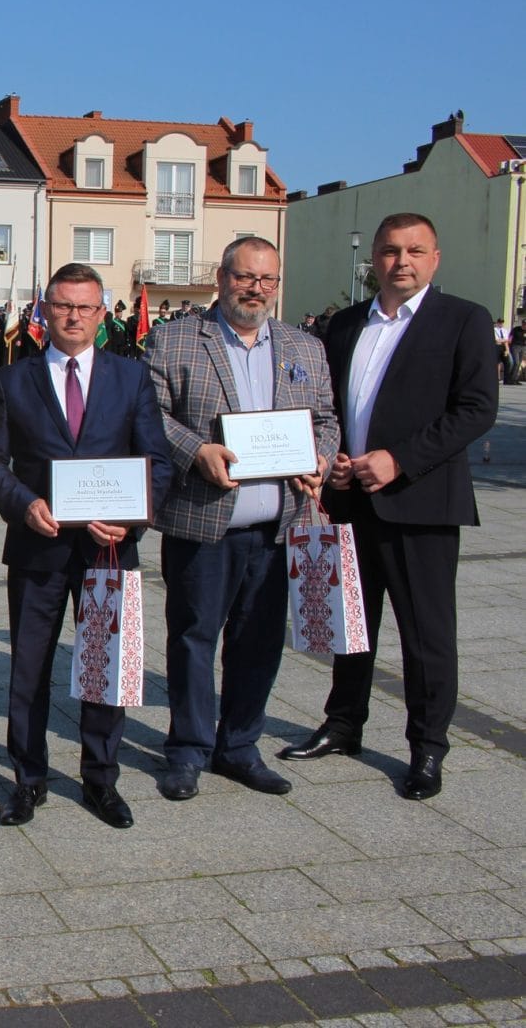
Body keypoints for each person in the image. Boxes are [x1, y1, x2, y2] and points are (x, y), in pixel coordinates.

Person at [279, 214, 498, 800]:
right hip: (347, 495)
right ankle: (344, 723)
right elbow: (323, 403)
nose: (401, 261)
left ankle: (427, 747)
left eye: (414, 251)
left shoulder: (463, 320)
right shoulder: (345, 323)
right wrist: (335, 458)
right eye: (389, 252)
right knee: (351, 623)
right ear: (372, 260)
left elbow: (476, 409)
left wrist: (399, 459)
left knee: (427, 634)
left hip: (419, 502)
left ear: (435, 257)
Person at [0, 263, 172, 830]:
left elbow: (157, 461)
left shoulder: (131, 378)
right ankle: (28, 779)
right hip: (39, 548)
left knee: (105, 664)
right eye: (62, 305)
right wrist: (23, 503)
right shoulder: (14, 380)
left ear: (102, 314)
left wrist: (132, 521)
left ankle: (101, 779)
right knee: (29, 668)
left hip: (109, 549)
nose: (74, 316)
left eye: (85, 307)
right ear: (45, 311)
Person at [144, 237, 338, 803]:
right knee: (193, 640)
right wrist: (194, 451)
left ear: (277, 284)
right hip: (204, 524)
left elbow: (325, 417)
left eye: (267, 280)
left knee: (259, 644)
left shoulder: (304, 346)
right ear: (221, 277)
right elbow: (149, 414)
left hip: (278, 526)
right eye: (245, 276)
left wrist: (320, 458)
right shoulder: (175, 337)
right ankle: (188, 750)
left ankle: (239, 748)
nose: (256, 288)